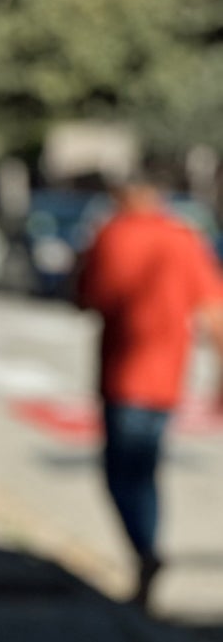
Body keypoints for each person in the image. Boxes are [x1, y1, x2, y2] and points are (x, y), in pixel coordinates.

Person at [76, 166, 223, 607]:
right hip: (167, 380)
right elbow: (214, 309)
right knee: (145, 473)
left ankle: (144, 550)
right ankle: (146, 554)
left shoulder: (112, 235)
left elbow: (84, 298)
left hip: (124, 378)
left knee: (121, 475)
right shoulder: (184, 238)